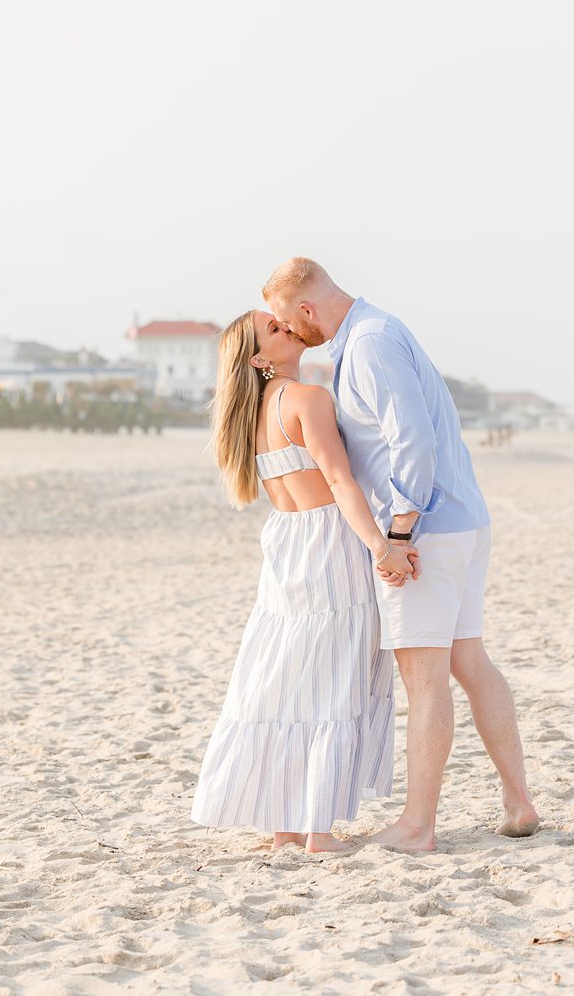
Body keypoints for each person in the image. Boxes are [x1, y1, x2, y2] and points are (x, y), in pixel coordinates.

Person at [263, 258, 541, 852]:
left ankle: (418, 825)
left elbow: (410, 437)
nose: (291, 333)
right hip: (461, 518)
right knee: (470, 660)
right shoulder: (375, 333)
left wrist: (400, 531)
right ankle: (518, 802)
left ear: (307, 310)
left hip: (428, 529)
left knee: (425, 678)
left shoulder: (367, 345)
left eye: (289, 322)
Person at [190, 309, 420, 854]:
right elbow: (340, 481)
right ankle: (318, 831)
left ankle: (285, 826)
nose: (288, 328)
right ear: (259, 359)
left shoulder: (252, 415)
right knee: (333, 677)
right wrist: (383, 546)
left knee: (287, 679)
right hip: (330, 546)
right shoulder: (307, 400)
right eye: (275, 329)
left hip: (287, 546)